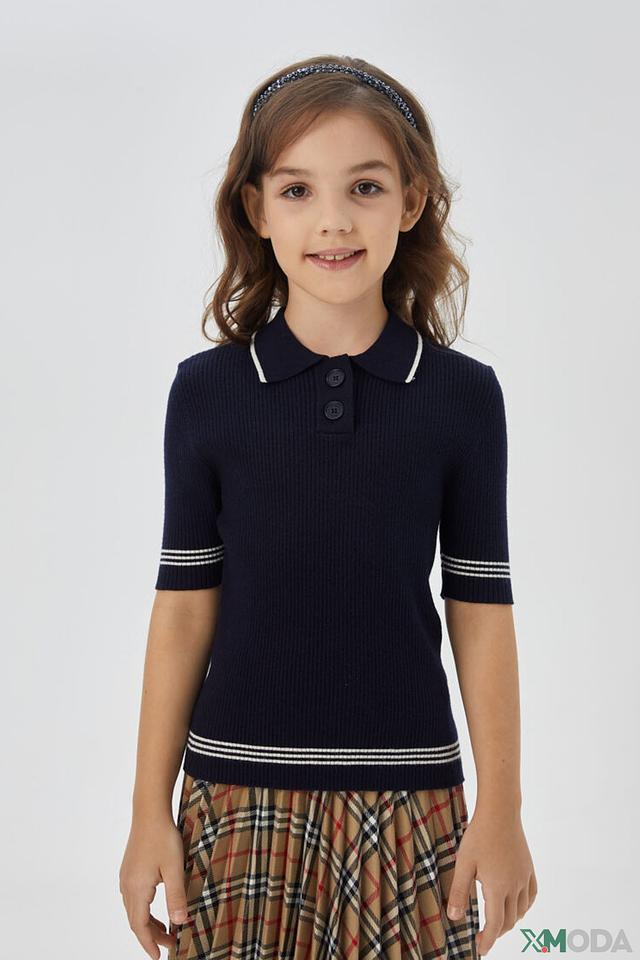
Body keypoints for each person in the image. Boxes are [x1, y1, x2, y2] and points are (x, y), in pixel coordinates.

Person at [119, 54, 537, 960]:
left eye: (366, 187)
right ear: (256, 209)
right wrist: (149, 811)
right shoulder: (207, 393)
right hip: (234, 800)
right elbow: (184, 608)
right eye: (298, 190)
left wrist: (501, 811)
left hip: (413, 801)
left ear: (412, 202)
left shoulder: (463, 398)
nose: (334, 220)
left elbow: (480, 608)